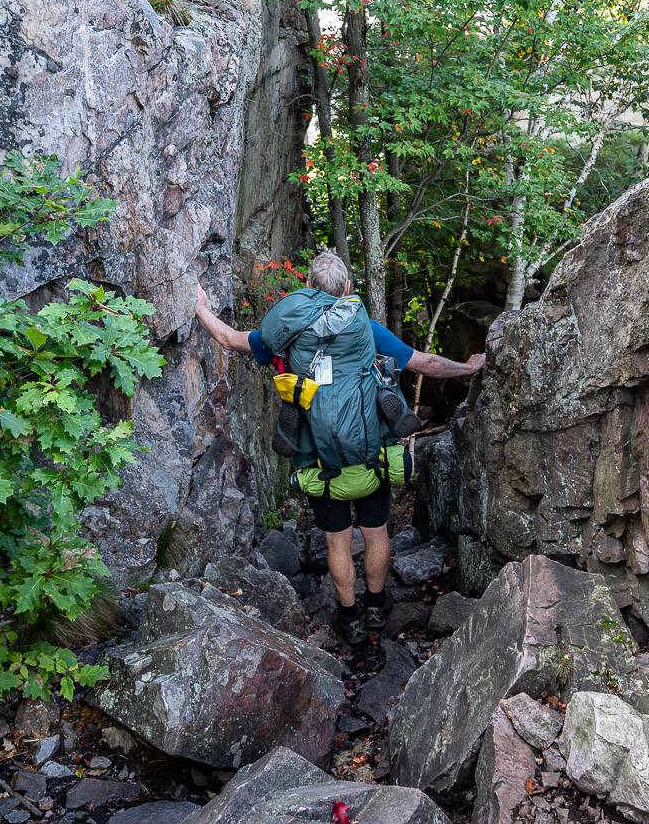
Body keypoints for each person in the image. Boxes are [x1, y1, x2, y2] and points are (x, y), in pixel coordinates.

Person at [193, 251, 485, 644]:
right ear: (346, 288)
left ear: (310, 289)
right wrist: (468, 367)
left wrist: (199, 306)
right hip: (371, 452)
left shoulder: (287, 334)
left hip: (317, 458)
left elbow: (228, 338)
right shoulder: (364, 327)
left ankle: (348, 616)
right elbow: (425, 364)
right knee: (377, 531)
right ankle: (377, 608)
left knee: (337, 538)